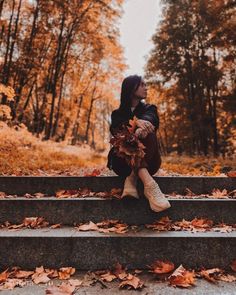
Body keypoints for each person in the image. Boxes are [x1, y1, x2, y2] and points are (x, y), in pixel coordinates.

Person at [107, 75, 171, 212]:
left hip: (150, 161)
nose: (145, 87)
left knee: (148, 133)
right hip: (121, 163)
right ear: (131, 88)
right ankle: (150, 185)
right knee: (123, 138)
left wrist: (142, 127)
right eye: (142, 84)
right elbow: (116, 129)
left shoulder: (150, 108)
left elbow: (151, 118)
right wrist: (135, 123)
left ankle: (131, 179)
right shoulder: (117, 114)